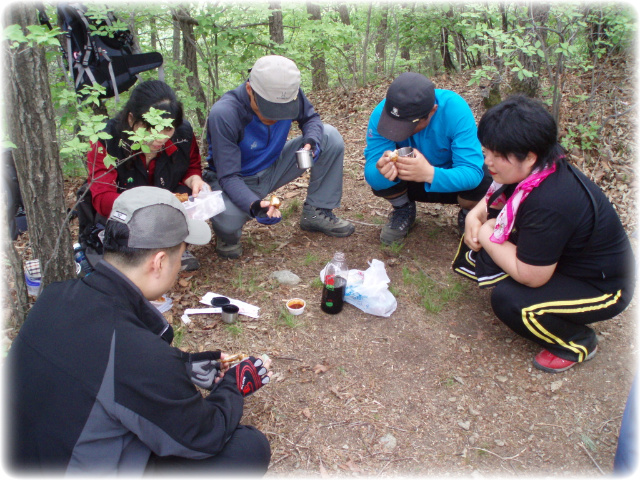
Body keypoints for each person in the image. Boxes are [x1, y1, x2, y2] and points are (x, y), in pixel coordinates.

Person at [5, 187, 273, 475]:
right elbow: (204, 437)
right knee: (248, 447)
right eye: (181, 255)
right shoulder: (141, 356)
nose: (180, 266)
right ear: (158, 262)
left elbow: (91, 368)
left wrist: (183, 367)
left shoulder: (54, 297)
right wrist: (234, 385)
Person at [457, 95, 635, 373]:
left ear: (529, 155)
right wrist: (476, 215)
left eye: (497, 154)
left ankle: (577, 341)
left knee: (511, 301)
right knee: (484, 234)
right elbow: (498, 195)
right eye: (486, 150)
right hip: (566, 262)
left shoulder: (551, 200)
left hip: (604, 287)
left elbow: (531, 275)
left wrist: (489, 231)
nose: (487, 161)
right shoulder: (538, 169)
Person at [204, 55, 355, 259]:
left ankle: (316, 212)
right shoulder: (225, 113)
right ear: (250, 89)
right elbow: (228, 176)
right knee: (228, 219)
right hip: (237, 179)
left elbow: (311, 118)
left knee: (329, 136)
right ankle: (227, 237)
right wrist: (255, 205)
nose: (274, 117)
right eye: (268, 109)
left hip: (275, 165)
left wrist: (311, 141)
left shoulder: (290, 93)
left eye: (281, 110)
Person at [81, 80, 207, 271]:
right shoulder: (107, 140)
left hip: (168, 201)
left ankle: (174, 246)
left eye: (167, 129)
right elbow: (102, 197)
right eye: (149, 129)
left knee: (185, 194)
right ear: (131, 119)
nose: (159, 138)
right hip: (124, 214)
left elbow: (191, 167)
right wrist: (150, 207)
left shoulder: (183, 134)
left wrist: (195, 179)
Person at [364, 72, 491, 245]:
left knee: (485, 178)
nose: (398, 131)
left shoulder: (454, 109)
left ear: (432, 111)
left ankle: (471, 214)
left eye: (407, 125)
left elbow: (472, 172)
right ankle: (403, 208)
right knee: (380, 179)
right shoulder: (382, 114)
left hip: (451, 178)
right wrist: (381, 171)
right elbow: (371, 170)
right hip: (408, 180)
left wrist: (429, 174)